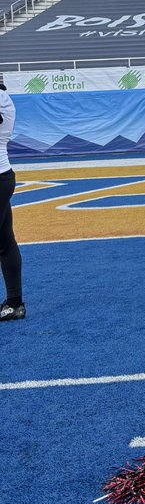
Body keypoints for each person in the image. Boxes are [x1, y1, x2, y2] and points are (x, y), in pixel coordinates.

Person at [0, 78, 25, 322]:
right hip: (3, 176)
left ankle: (15, 303)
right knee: (5, 242)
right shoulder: (5, 100)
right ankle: (14, 303)